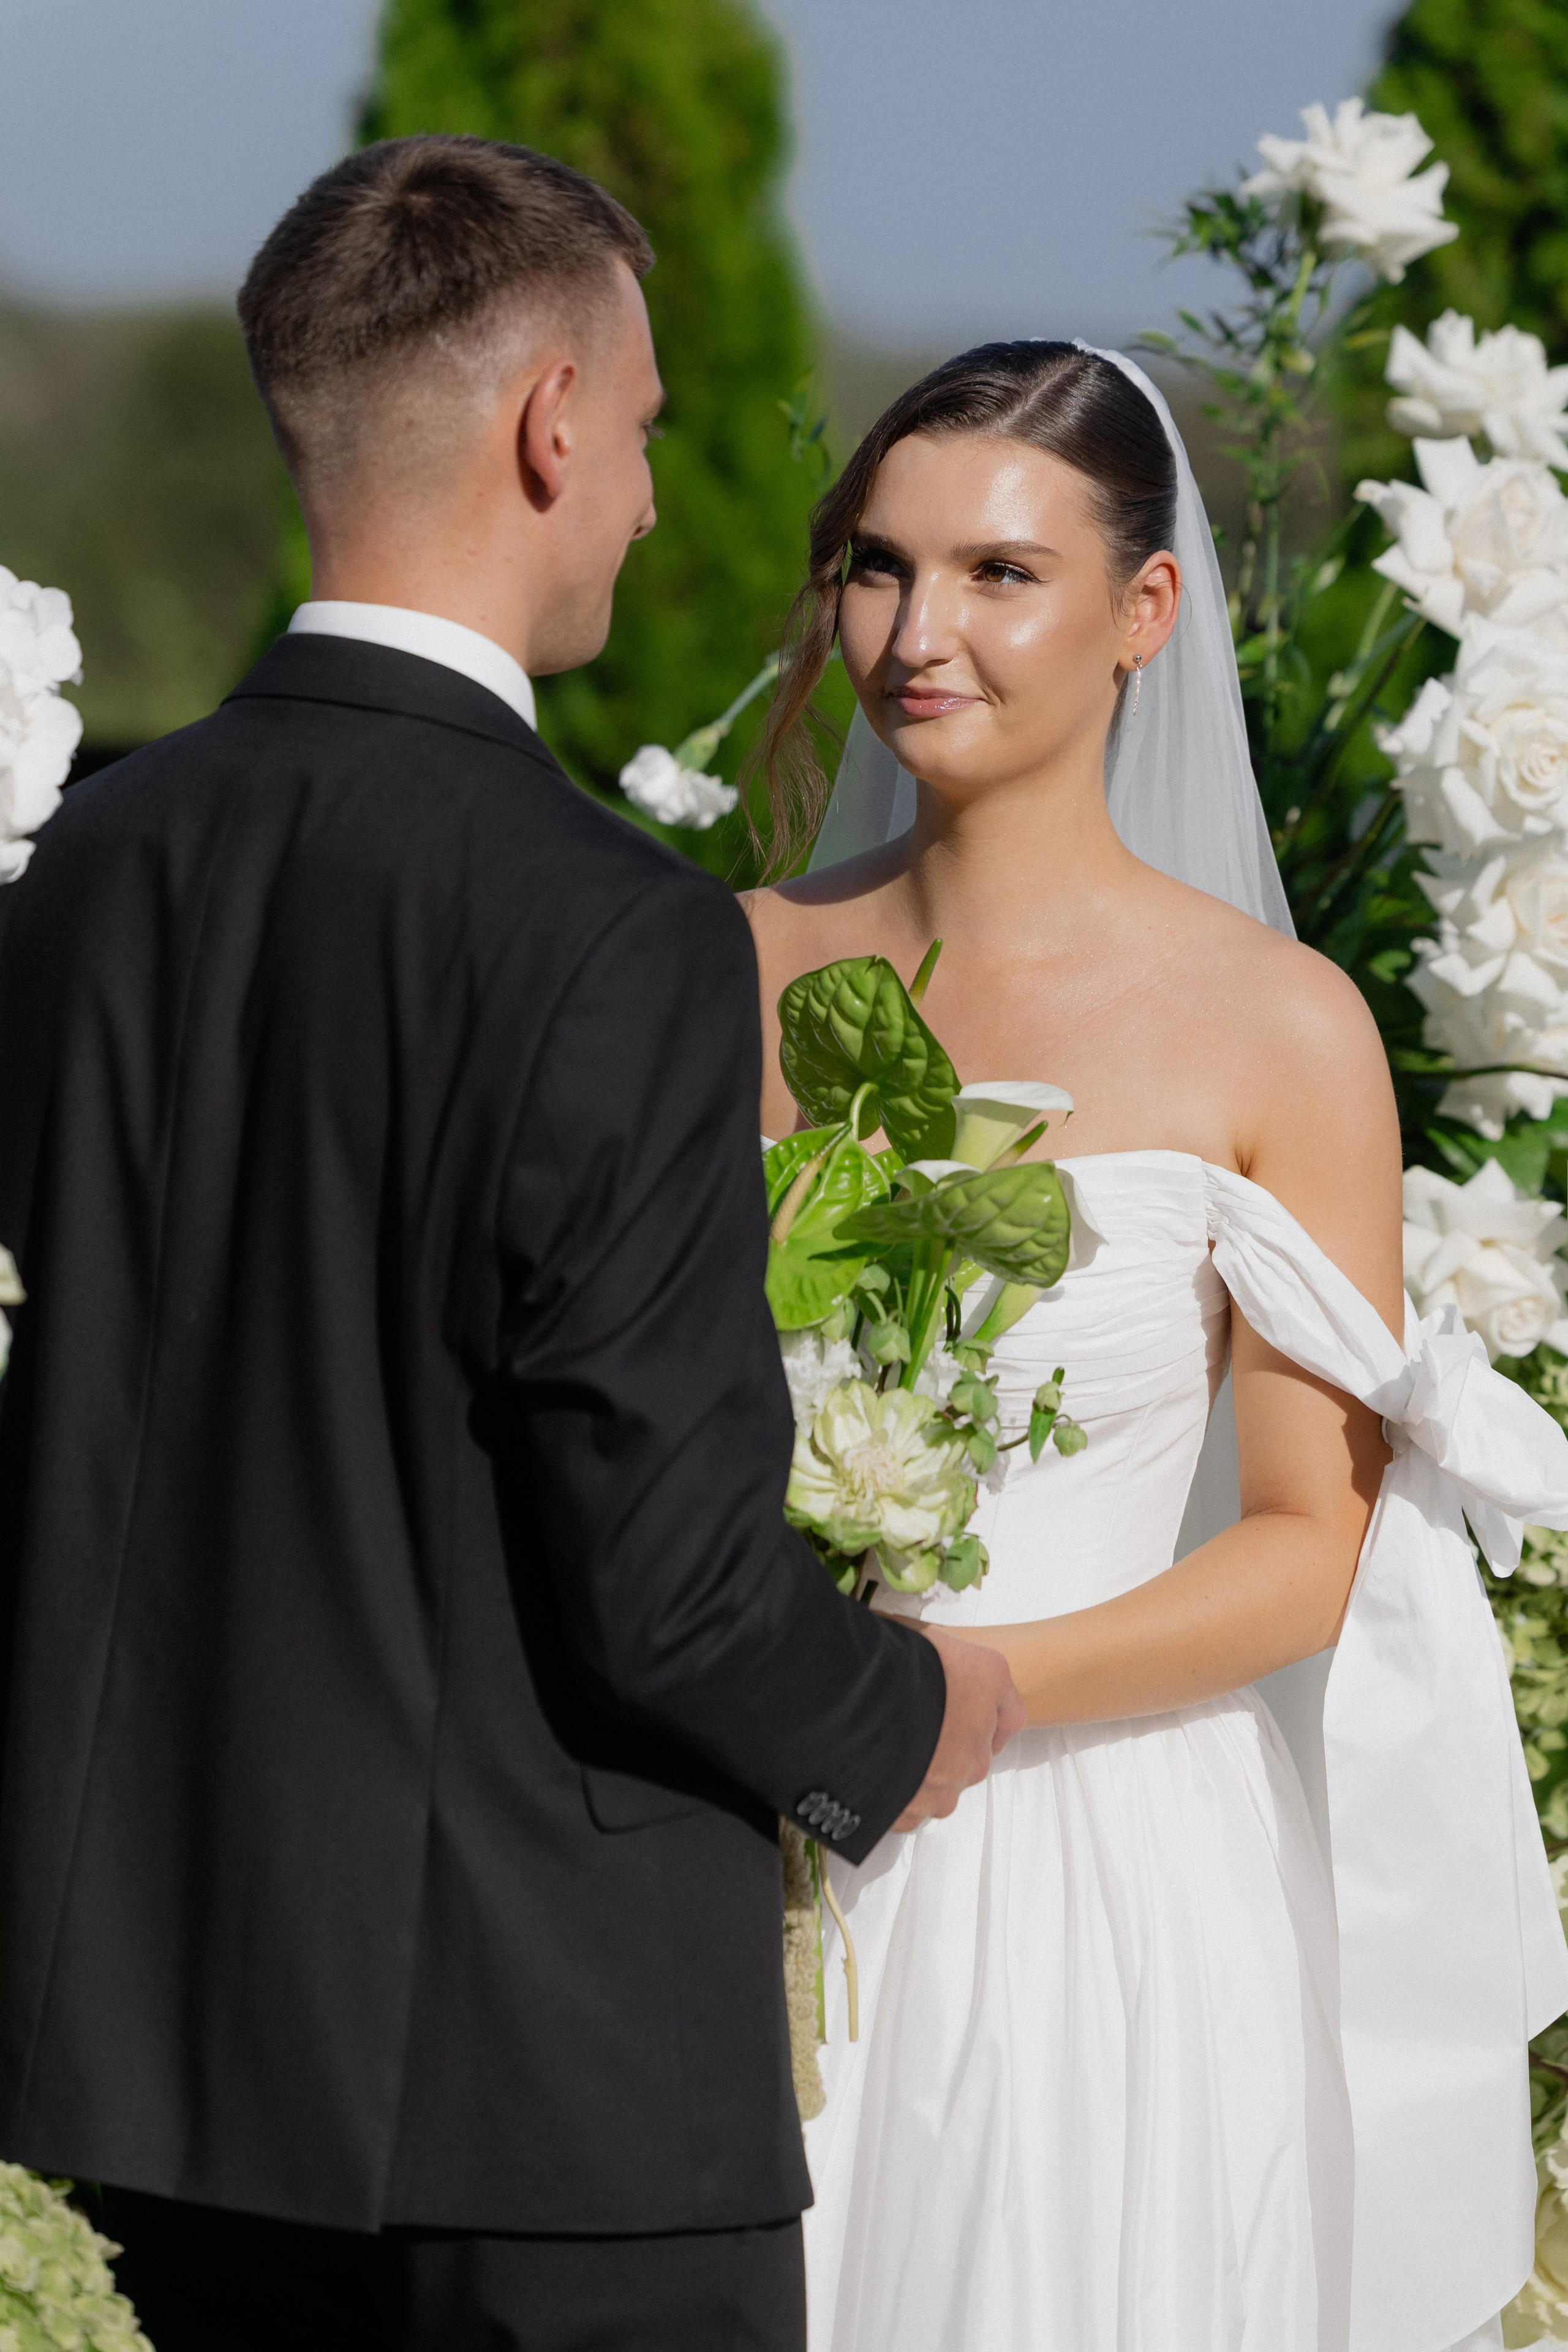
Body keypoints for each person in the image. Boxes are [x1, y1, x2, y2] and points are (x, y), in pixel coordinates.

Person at [0, 138, 1023, 2352]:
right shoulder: (612, 934)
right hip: (551, 2100)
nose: (651, 498)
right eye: (646, 432)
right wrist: (913, 1702)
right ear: (554, 425)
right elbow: (659, 1583)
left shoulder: (84, 865)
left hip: (164, 2059)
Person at [743, 340, 1568, 2352]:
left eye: (1000, 575)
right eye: (879, 567)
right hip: (721, 1840)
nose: (919, 633)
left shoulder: (1278, 1029)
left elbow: (1308, 1541)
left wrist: (966, 1690)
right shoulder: (720, 968)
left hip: (1097, 1869)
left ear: (1144, 612)